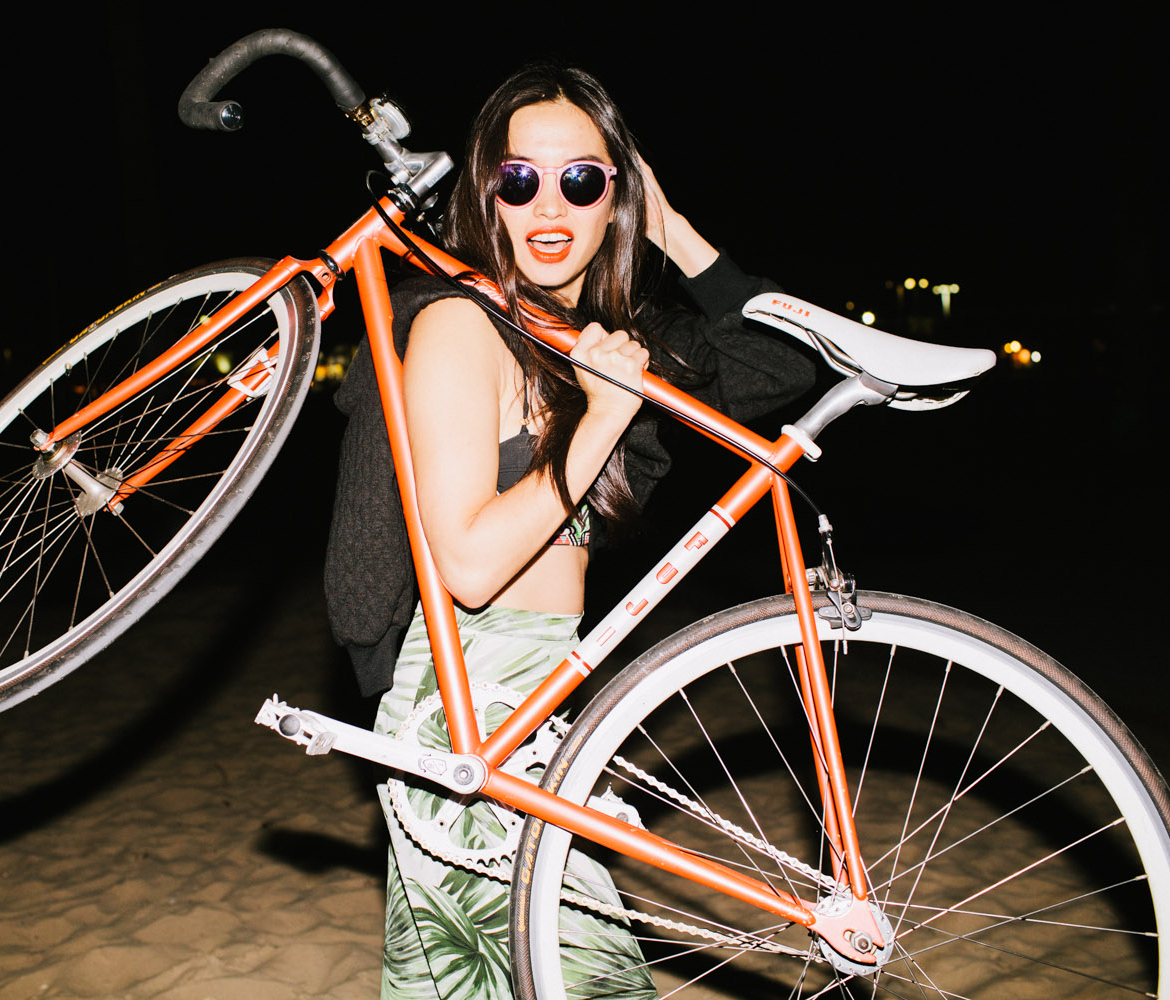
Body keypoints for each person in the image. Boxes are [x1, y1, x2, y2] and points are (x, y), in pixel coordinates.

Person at [326, 62, 816, 999]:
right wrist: (599, 421)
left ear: (614, 199)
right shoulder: (461, 327)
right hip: (467, 697)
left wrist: (669, 228)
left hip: (552, 696)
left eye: (583, 179)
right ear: (488, 194)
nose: (549, 202)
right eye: (520, 178)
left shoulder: (609, 340)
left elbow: (790, 354)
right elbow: (468, 563)